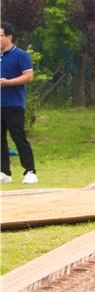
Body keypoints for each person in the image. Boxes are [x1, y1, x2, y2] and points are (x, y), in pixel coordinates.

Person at [0, 22, 38, 184]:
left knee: (18, 137)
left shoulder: (21, 55)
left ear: (9, 36)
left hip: (14, 104)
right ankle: (4, 171)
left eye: (0, 36)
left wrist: (7, 82)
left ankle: (30, 171)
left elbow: (28, 76)